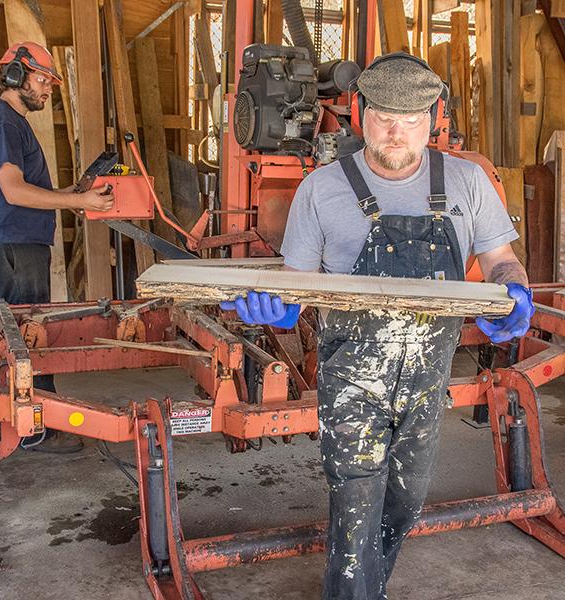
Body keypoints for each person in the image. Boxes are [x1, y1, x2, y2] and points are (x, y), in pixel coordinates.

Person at [221, 52, 534, 599]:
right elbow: (298, 285)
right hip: (352, 381)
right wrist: (281, 310)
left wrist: (514, 289)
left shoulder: (468, 181)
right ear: (359, 110)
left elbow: (502, 258)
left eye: (411, 119)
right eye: (384, 116)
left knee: (405, 501)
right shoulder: (322, 189)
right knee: (357, 499)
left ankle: (368, 588)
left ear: (433, 116)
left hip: (424, 381)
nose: (396, 132)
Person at [0, 42, 114, 447]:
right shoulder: (3, 123)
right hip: (11, 242)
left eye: (50, 81)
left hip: (18, 242)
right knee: (25, 340)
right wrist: (77, 201)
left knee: (31, 336)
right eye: (42, 79)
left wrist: (70, 193)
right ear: (15, 75)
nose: (48, 89)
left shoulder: (13, 122)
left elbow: (25, 189)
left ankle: (38, 425)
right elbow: (13, 191)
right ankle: (31, 433)